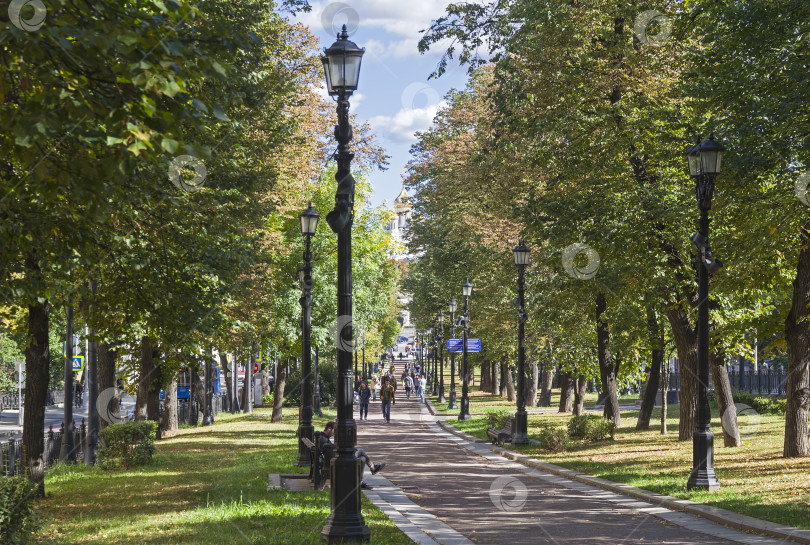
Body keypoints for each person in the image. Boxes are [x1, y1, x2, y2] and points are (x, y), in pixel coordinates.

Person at [320, 421, 385, 489]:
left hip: (336, 460)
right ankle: (372, 467)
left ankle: (359, 482)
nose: (335, 433)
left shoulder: (322, 438)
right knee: (361, 450)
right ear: (329, 429)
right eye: (334, 430)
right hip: (339, 461)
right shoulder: (324, 440)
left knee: (362, 459)